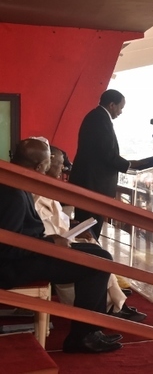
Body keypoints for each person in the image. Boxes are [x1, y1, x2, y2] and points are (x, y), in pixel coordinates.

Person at [0, 138, 122, 353]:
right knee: (98, 264)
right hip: (13, 267)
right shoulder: (14, 194)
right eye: (49, 163)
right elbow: (6, 247)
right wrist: (49, 242)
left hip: (29, 254)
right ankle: (82, 337)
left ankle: (89, 331)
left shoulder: (14, 179)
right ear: (39, 166)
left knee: (99, 255)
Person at [34, 146, 146, 322]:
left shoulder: (45, 188)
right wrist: (70, 234)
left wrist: (72, 225)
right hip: (48, 248)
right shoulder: (36, 194)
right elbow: (44, 229)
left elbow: (55, 219)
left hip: (57, 239)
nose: (63, 169)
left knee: (93, 244)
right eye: (60, 164)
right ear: (46, 164)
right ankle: (109, 308)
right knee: (98, 257)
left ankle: (115, 305)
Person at [69, 89, 141, 240]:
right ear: (112, 105)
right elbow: (106, 152)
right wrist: (128, 166)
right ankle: (87, 257)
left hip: (92, 183)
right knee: (89, 228)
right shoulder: (99, 119)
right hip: (93, 184)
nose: (121, 112)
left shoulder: (97, 117)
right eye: (121, 107)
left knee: (88, 227)